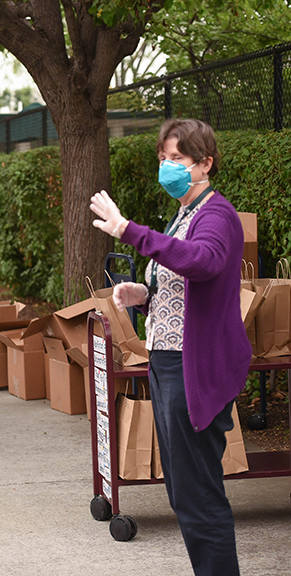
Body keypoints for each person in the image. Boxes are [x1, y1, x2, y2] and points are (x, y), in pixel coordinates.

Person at [89, 119, 250, 576]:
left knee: (198, 495)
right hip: (167, 363)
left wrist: (128, 230)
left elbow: (203, 262)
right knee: (184, 492)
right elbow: (183, 278)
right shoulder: (184, 213)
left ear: (205, 164)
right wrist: (144, 293)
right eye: (163, 158)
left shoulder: (216, 215)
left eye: (177, 159)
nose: (167, 167)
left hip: (191, 369)